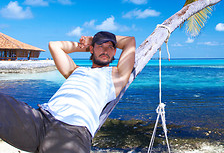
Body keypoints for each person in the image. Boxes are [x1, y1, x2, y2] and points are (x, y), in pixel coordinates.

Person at [0, 31, 136, 153]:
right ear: (92, 50)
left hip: (71, 132)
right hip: (40, 119)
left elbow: (130, 41)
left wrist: (92, 40)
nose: (105, 50)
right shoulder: (75, 70)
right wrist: (89, 43)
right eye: (100, 46)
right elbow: (54, 45)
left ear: (115, 52)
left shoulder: (116, 76)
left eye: (110, 47)